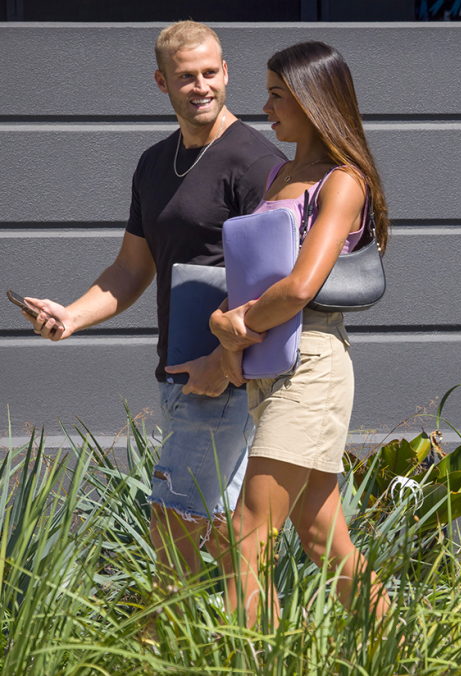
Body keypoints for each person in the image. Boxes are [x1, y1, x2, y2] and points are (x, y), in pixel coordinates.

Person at [21, 21, 285, 585]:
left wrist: (224, 364)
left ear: (226, 73)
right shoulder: (153, 163)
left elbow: (277, 287)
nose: (201, 86)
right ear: (161, 82)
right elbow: (131, 269)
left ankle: (165, 643)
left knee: (175, 524)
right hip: (180, 374)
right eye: (185, 76)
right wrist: (71, 315)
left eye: (210, 73)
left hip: (224, 376)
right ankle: (250, 649)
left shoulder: (253, 163)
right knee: (221, 532)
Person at [209, 41, 391, 624]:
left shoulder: (343, 182)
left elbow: (299, 287)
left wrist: (237, 327)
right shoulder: (282, 173)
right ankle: (405, 656)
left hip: (308, 363)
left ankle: (256, 661)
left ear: (315, 102)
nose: (266, 107)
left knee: (244, 537)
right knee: (322, 541)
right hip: (271, 359)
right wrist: (226, 323)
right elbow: (253, 274)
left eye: (278, 95)